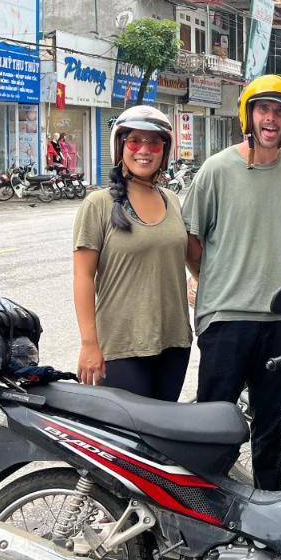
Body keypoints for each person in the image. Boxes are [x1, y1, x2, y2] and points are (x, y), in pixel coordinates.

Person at [183, 75, 281, 491]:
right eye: (263, 110)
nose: (271, 119)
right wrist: (213, 279)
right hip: (225, 317)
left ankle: (268, 512)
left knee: (270, 424)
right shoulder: (217, 170)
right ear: (249, 115)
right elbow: (191, 239)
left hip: (278, 320)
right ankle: (207, 508)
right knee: (214, 422)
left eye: (280, 112)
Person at [71, 106, 192, 400]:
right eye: (135, 141)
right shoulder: (99, 204)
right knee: (129, 440)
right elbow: (83, 276)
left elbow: (191, 259)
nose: (145, 150)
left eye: (154, 142)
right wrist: (89, 343)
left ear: (165, 150)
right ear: (120, 146)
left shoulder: (173, 200)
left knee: (162, 437)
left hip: (174, 343)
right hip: (122, 347)